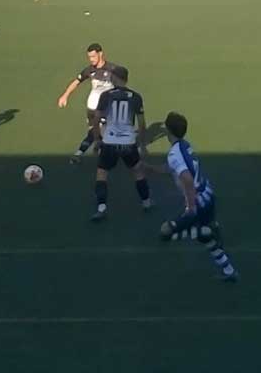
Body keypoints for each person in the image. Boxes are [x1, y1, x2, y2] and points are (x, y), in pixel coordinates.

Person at [157, 111, 237, 282]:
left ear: (168, 131)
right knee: (207, 240)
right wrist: (148, 168)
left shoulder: (173, 154)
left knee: (165, 232)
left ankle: (205, 229)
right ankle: (228, 270)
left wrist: (190, 206)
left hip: (198, 201)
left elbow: (186, 177)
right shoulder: (185, 145)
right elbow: (172, 169)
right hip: (208, 193)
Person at [90, 66, 150, 222]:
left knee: (102, 174)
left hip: (109, 142)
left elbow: (96, 120)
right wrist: (142, 145)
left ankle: (101, 208)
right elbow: (142, 124)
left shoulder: (105, 96)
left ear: (116, 77)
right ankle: (146, 202)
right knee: (137, 171)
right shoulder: (136, 97)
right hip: (128, 142)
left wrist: (97, 140)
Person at [57, 43, 116, 163]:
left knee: (98, 132)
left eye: (93, 56)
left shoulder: (112, 69)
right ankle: (102, 151)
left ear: (100, 54)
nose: (91, 59)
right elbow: (76, 82)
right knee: (97, 132)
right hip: (93, 107)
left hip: (105, 107)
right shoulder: (89, 70)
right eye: (89, 57)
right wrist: (65, 95)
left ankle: (80, 153)